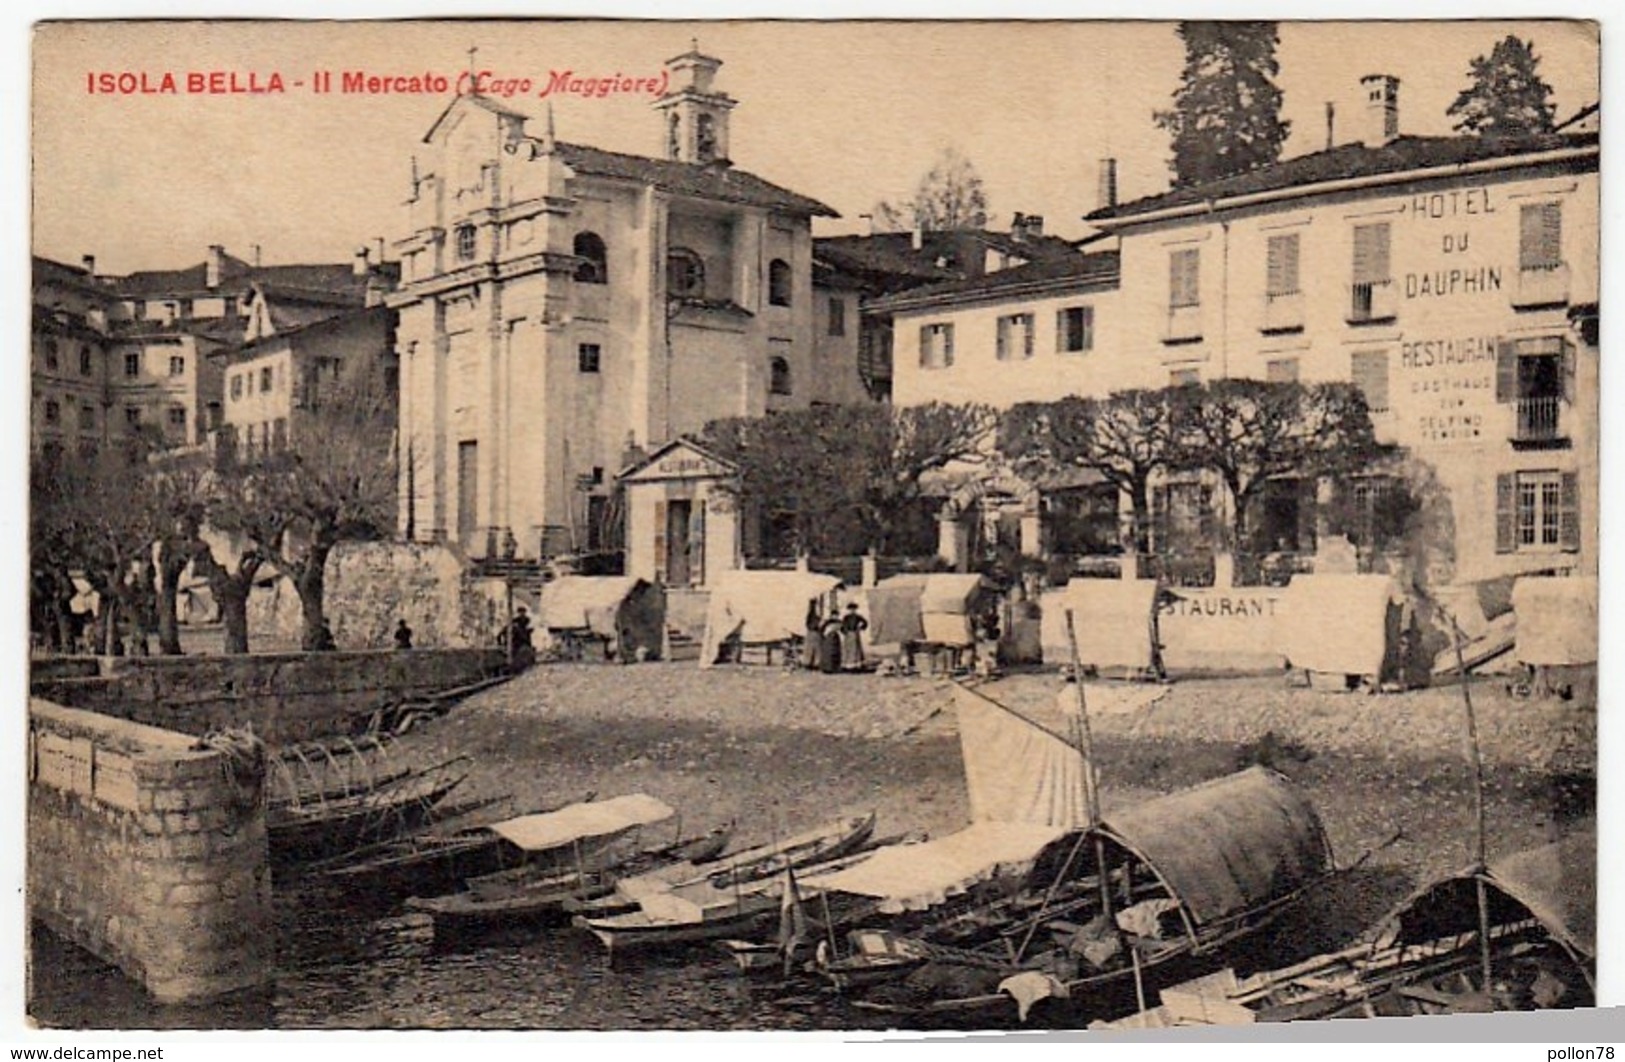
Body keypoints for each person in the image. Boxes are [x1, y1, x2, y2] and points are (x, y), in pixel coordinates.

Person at [839, 602, 868, 672]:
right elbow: (842, 626)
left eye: (854, 609)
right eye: (851, 609)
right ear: (849, 610)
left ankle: (856, 665)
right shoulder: (846, 617)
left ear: (855, 610)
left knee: (856, 649)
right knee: (848, 649)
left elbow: (865, 623)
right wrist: (845, 632)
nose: (852, 611)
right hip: (848, 635)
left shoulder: (858, 617)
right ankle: (847, 665)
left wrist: (861, 628)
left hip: (855, 634)